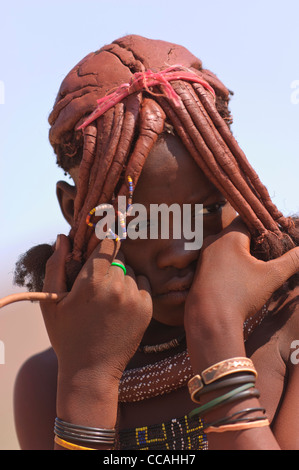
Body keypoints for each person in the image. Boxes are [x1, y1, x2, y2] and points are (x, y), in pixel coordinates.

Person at [11, 35, 299, 450]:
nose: (180, 250)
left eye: (205, 211)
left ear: (241, 190)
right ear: (76, 211)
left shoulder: (287, 331)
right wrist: (88, 383)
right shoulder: (51, 380)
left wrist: (215, 333)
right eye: (138, 220)